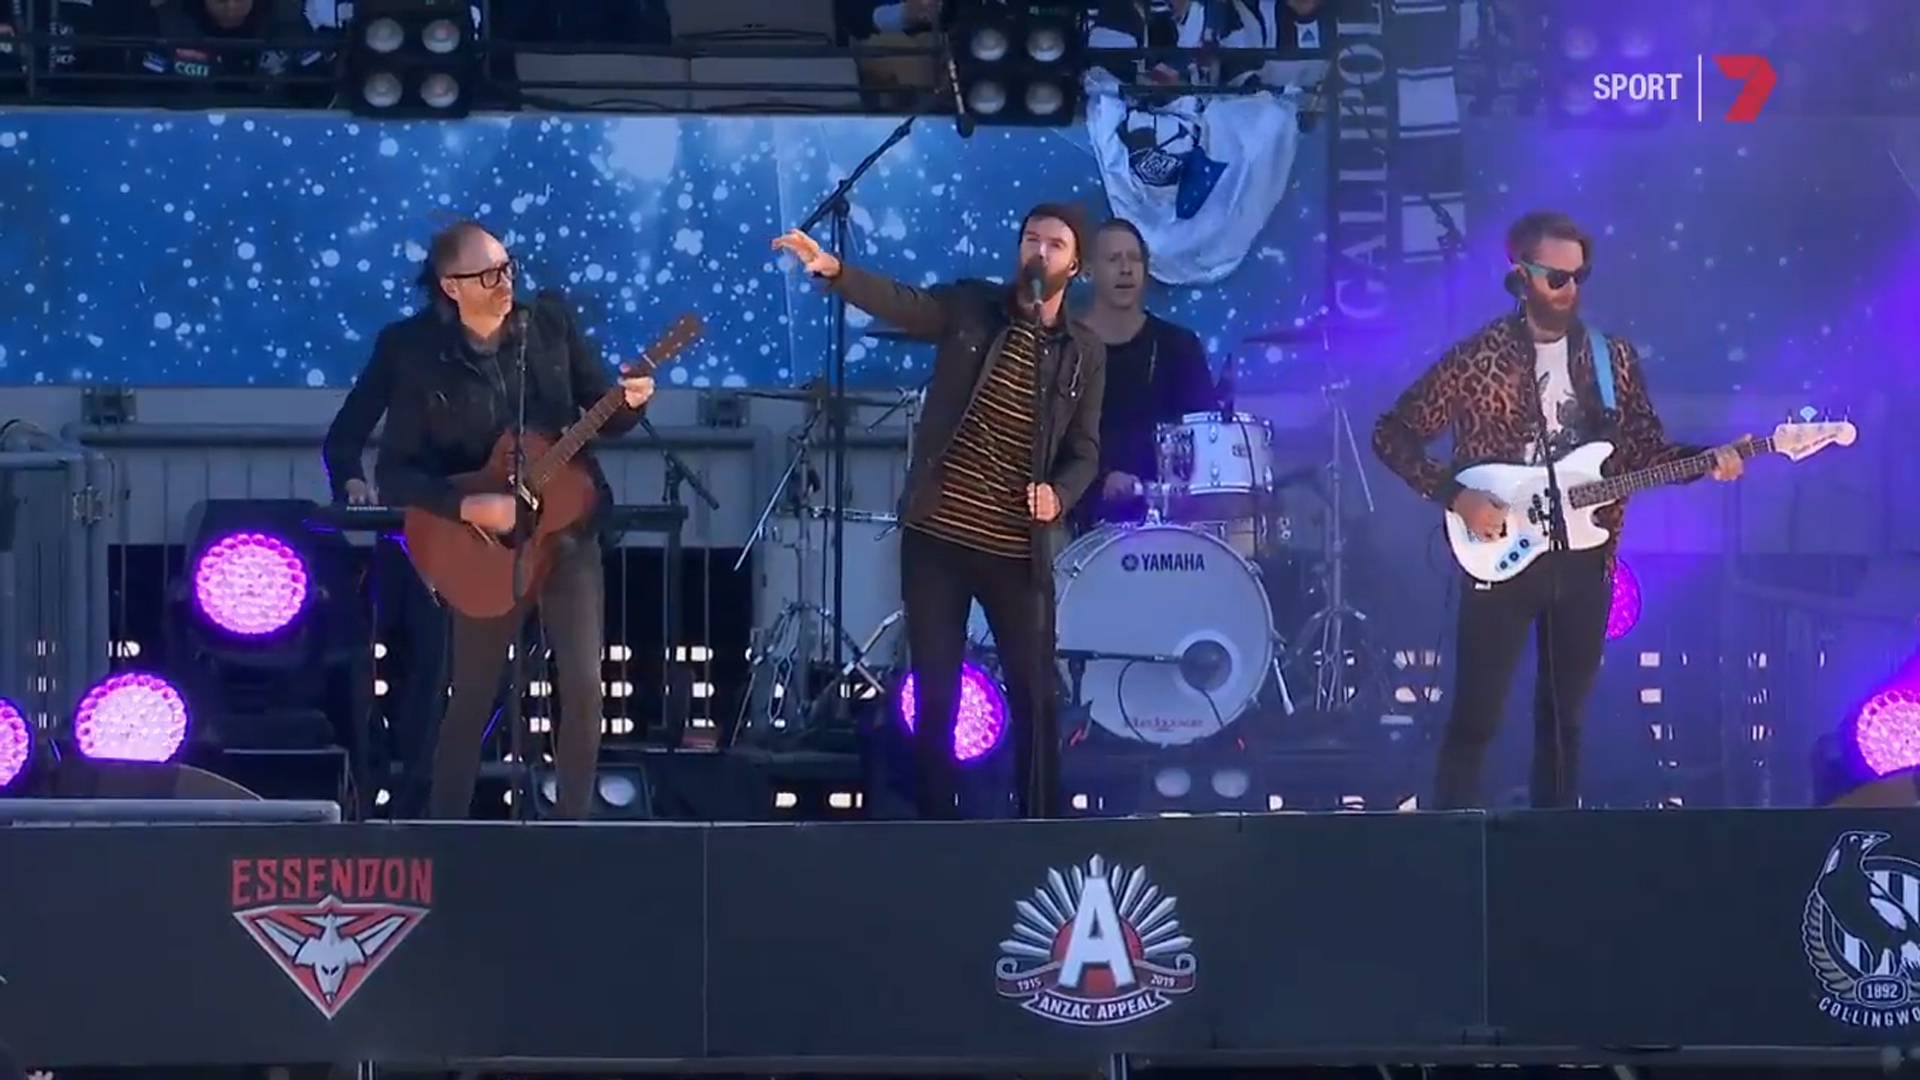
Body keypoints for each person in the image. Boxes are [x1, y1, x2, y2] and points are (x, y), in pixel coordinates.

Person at [1371, 209, 1746, 810]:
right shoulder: (1477, 357)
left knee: (1566, 724)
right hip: (1499, 553)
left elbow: (1642, 451)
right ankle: (1450, 841)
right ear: (1520, 275)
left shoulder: (1611, 358)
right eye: (1556, 277)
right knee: (1476, 718)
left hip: (1584, 559)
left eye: (1579, 276)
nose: (1570, 289)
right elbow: (1392, 433)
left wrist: (1706, 460)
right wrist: (1456, 495)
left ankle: (1555, 845)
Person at [771, 204, 1107, 820]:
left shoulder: (1083, 352)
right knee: (935, 695)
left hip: (1016, 549)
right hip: (939, 535)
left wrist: (1059, 494)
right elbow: (906, 304)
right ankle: (936, 834)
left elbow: (1085, 451)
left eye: (1055, 244)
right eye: (1030, 238)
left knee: (1036, 696)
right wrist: (836, 271)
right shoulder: (973, 307)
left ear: (1076, 263)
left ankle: (1042, 831)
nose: (1039, 251)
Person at [373, 221, 655, 820]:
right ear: (450, 286)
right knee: (472, 696)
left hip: (569, 533)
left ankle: (571, 829)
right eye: (487, 275)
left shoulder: (547, 327)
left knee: (584, 689)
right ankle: (446, 831)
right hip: (485, 546)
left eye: (507, 268)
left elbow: (601, 412)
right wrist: (466, 505)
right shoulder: (424, 360)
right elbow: (394, 473)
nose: (504, 283)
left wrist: (630, 406)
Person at [323, 308, 452, 820]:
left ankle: (429, 799)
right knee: (383, 659)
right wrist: (352, 480)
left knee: (441, 666)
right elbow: (345, 436)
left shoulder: (518, 348)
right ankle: (373, 792)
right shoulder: (404, 344)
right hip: (405, 530)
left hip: (478, 538)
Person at [1075, 217, 1216, 528]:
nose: (1126, 269)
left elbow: (1205, 437)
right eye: (1113, 259)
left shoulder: (1179, 346)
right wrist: (1101, 481)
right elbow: (1050, 445)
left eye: (1134, 259)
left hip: (1166, 521)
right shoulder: (1065, 347)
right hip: (1080, 520)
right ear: (1088, 270)